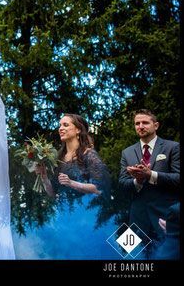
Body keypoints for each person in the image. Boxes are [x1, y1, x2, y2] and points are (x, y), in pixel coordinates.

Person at [32, 114, 116, 259]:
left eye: (65, 125)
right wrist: (44, 177)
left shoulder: (89, 155)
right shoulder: (58, 158)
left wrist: (72, 183)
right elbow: (53, 193)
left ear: (78, 130)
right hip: (64, 218)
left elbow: (100, 189)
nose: (61, 128)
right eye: (60, 125)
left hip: (87, 218)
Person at [119, 109, 180, 257]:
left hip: (165, 219)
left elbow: (178, 178)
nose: (140, 126)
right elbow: (121, 184)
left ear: (156, 125)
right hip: (136, 220)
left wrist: (150, 174)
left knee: (166, 257)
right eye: (137, 123)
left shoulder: (173, 147)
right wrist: (137, 180)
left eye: (145, 122)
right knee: (126, 259)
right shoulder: (127, 152)